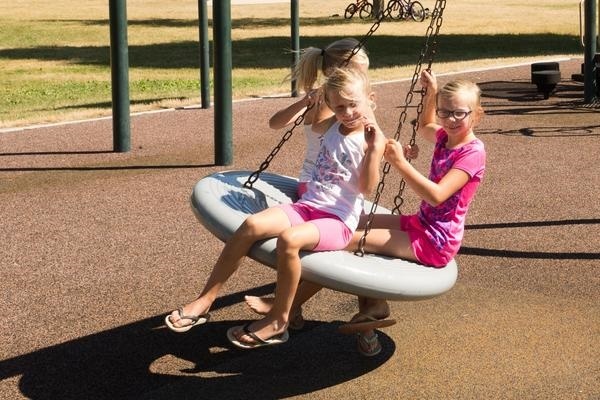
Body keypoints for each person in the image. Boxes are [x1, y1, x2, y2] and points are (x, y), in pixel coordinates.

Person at [246, 70, 486, 356]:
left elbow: (436, 196)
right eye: (445, 111)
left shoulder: (472, 153)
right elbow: (425, 125)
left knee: (342, 240)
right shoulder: (446, 135)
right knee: (347, 223)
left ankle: (292, 306)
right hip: (421, 223)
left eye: (459, 113)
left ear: (476, 114)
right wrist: (430, 92)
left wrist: (399, 163)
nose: (449, 119)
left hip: (436, 240)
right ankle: (368, 309)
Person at [165, 67, 386, 350]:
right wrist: (310, 100)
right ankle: (205, 300)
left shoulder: (372, 140)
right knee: (251, 226)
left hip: (337, 221)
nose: (347, 112)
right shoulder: (331, 124)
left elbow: (367, 189)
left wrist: (374, 150)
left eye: (353, 104)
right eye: (339, 106)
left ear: (370, 99)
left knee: (289, 240)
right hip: (307, 207)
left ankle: (279, 320)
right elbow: (280, 122)